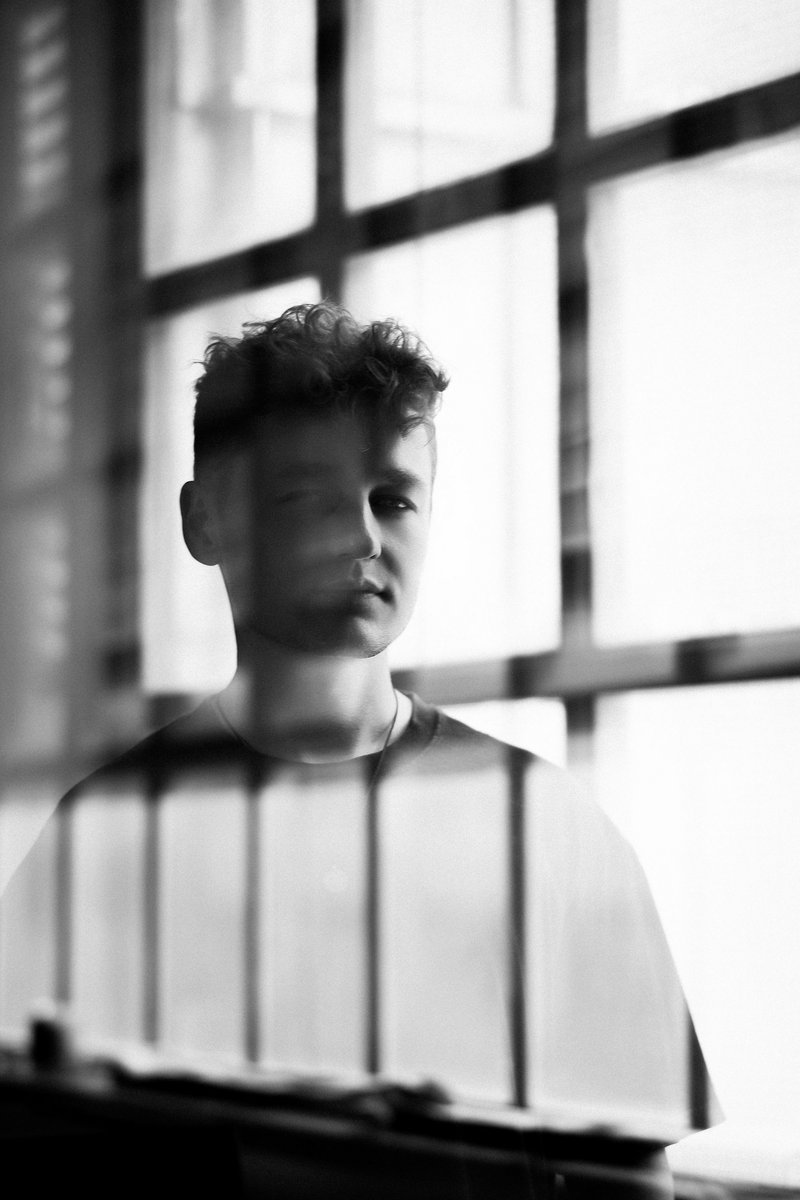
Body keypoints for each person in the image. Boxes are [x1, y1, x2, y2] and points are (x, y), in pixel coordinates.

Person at [1, 301, 714, 1196]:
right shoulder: (104, 836)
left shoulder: (542, 821)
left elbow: (629, 1175)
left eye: (394, 500)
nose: (363, 538)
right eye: (307, 498)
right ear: (204, 521)